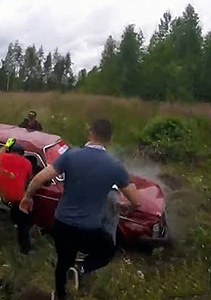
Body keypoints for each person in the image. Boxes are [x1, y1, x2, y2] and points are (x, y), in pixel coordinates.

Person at [19, 119, 143, 300]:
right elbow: (137, 201)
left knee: (63, 260)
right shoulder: (114, 166)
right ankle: (81, 269)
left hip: (62, 223)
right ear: (109, 139)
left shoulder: (71, 156)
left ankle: (60, 295)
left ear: (90, 133)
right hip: (89, 228)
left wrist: (27, 197)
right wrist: (128, 207)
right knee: (107, 250)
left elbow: (40, 178)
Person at [0, 138, 33, 254]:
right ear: (23, 154)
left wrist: (6, 144)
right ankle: (25, 250)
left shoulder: (3, 157)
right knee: (24, 224)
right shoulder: (27, 163)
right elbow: (29, 179)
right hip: (17, 198)